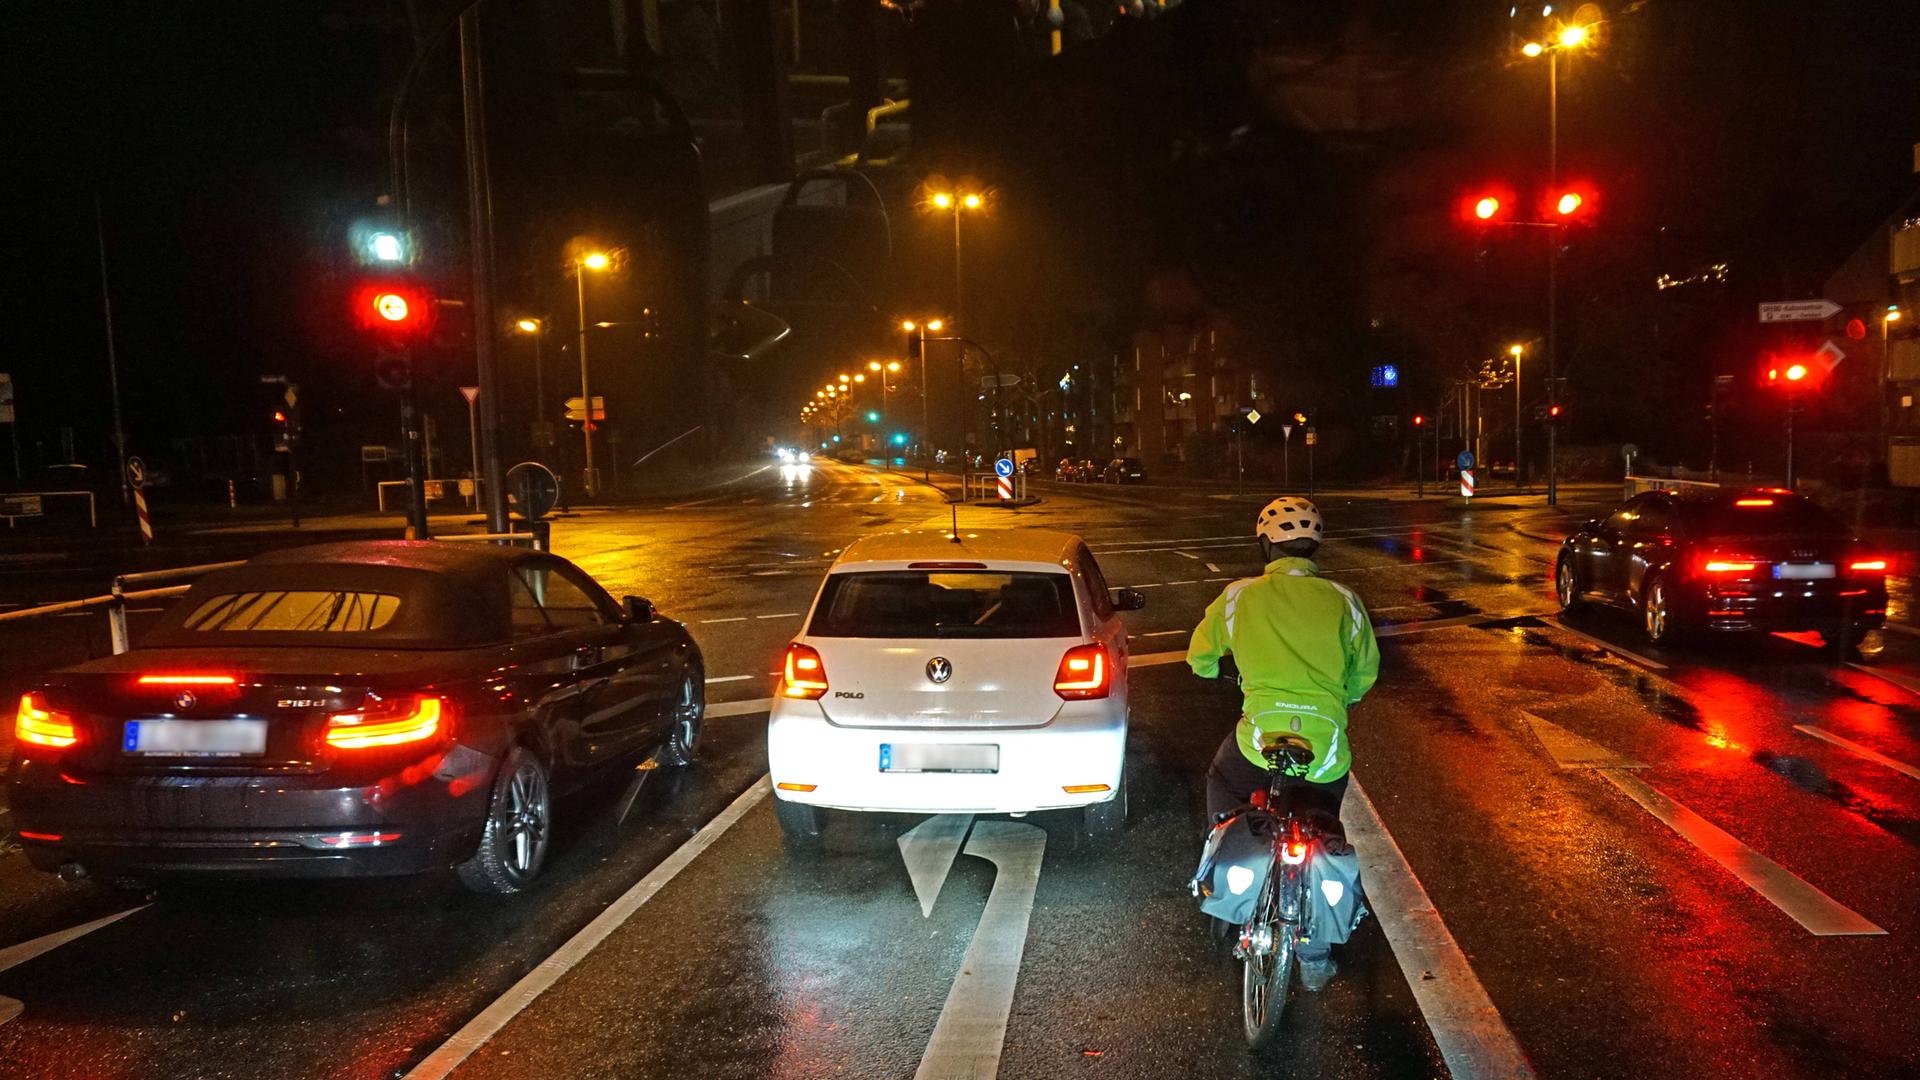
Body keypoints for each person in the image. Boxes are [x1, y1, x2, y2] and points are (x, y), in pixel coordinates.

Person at [1187, 496, 1380, 989]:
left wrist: (1219, 671)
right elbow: (1363, 675)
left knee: (1223, 779)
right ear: (1314, 548)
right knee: (1321, 825)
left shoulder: (1239, 596)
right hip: (1325, 744)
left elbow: (1199, 657)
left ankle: (1222, 860)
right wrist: (1338, 700)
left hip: (1260, 738)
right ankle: (1314, 954)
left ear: (1266, 546)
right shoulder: (1344, 600)